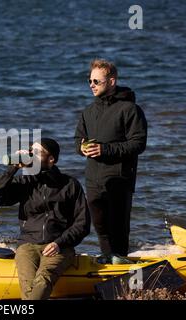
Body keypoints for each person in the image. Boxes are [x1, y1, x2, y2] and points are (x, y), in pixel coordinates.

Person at [0, 138, 90, 300]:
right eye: (30, 151)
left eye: (37, 152)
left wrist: (59, 243)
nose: (31, 155)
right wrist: (13, 168)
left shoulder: (70, 185)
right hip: (28, 245)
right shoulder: (25, 182)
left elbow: (82, 224)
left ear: (51, 159)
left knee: (42, 280)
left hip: (59, 246)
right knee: (28, 284)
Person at [74, 59, 147, 262]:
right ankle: (107, 259)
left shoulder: (130, 109)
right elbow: (77, 139)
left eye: (96, 81)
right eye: (90, 81)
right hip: (93, 178)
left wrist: (105, 150)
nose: (91, 85)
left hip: (120, 177)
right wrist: (81, 147)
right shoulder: (88, 111)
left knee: (118, 226)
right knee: (99, 224)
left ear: (112, 81)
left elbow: (138, 144)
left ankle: (120, 263)